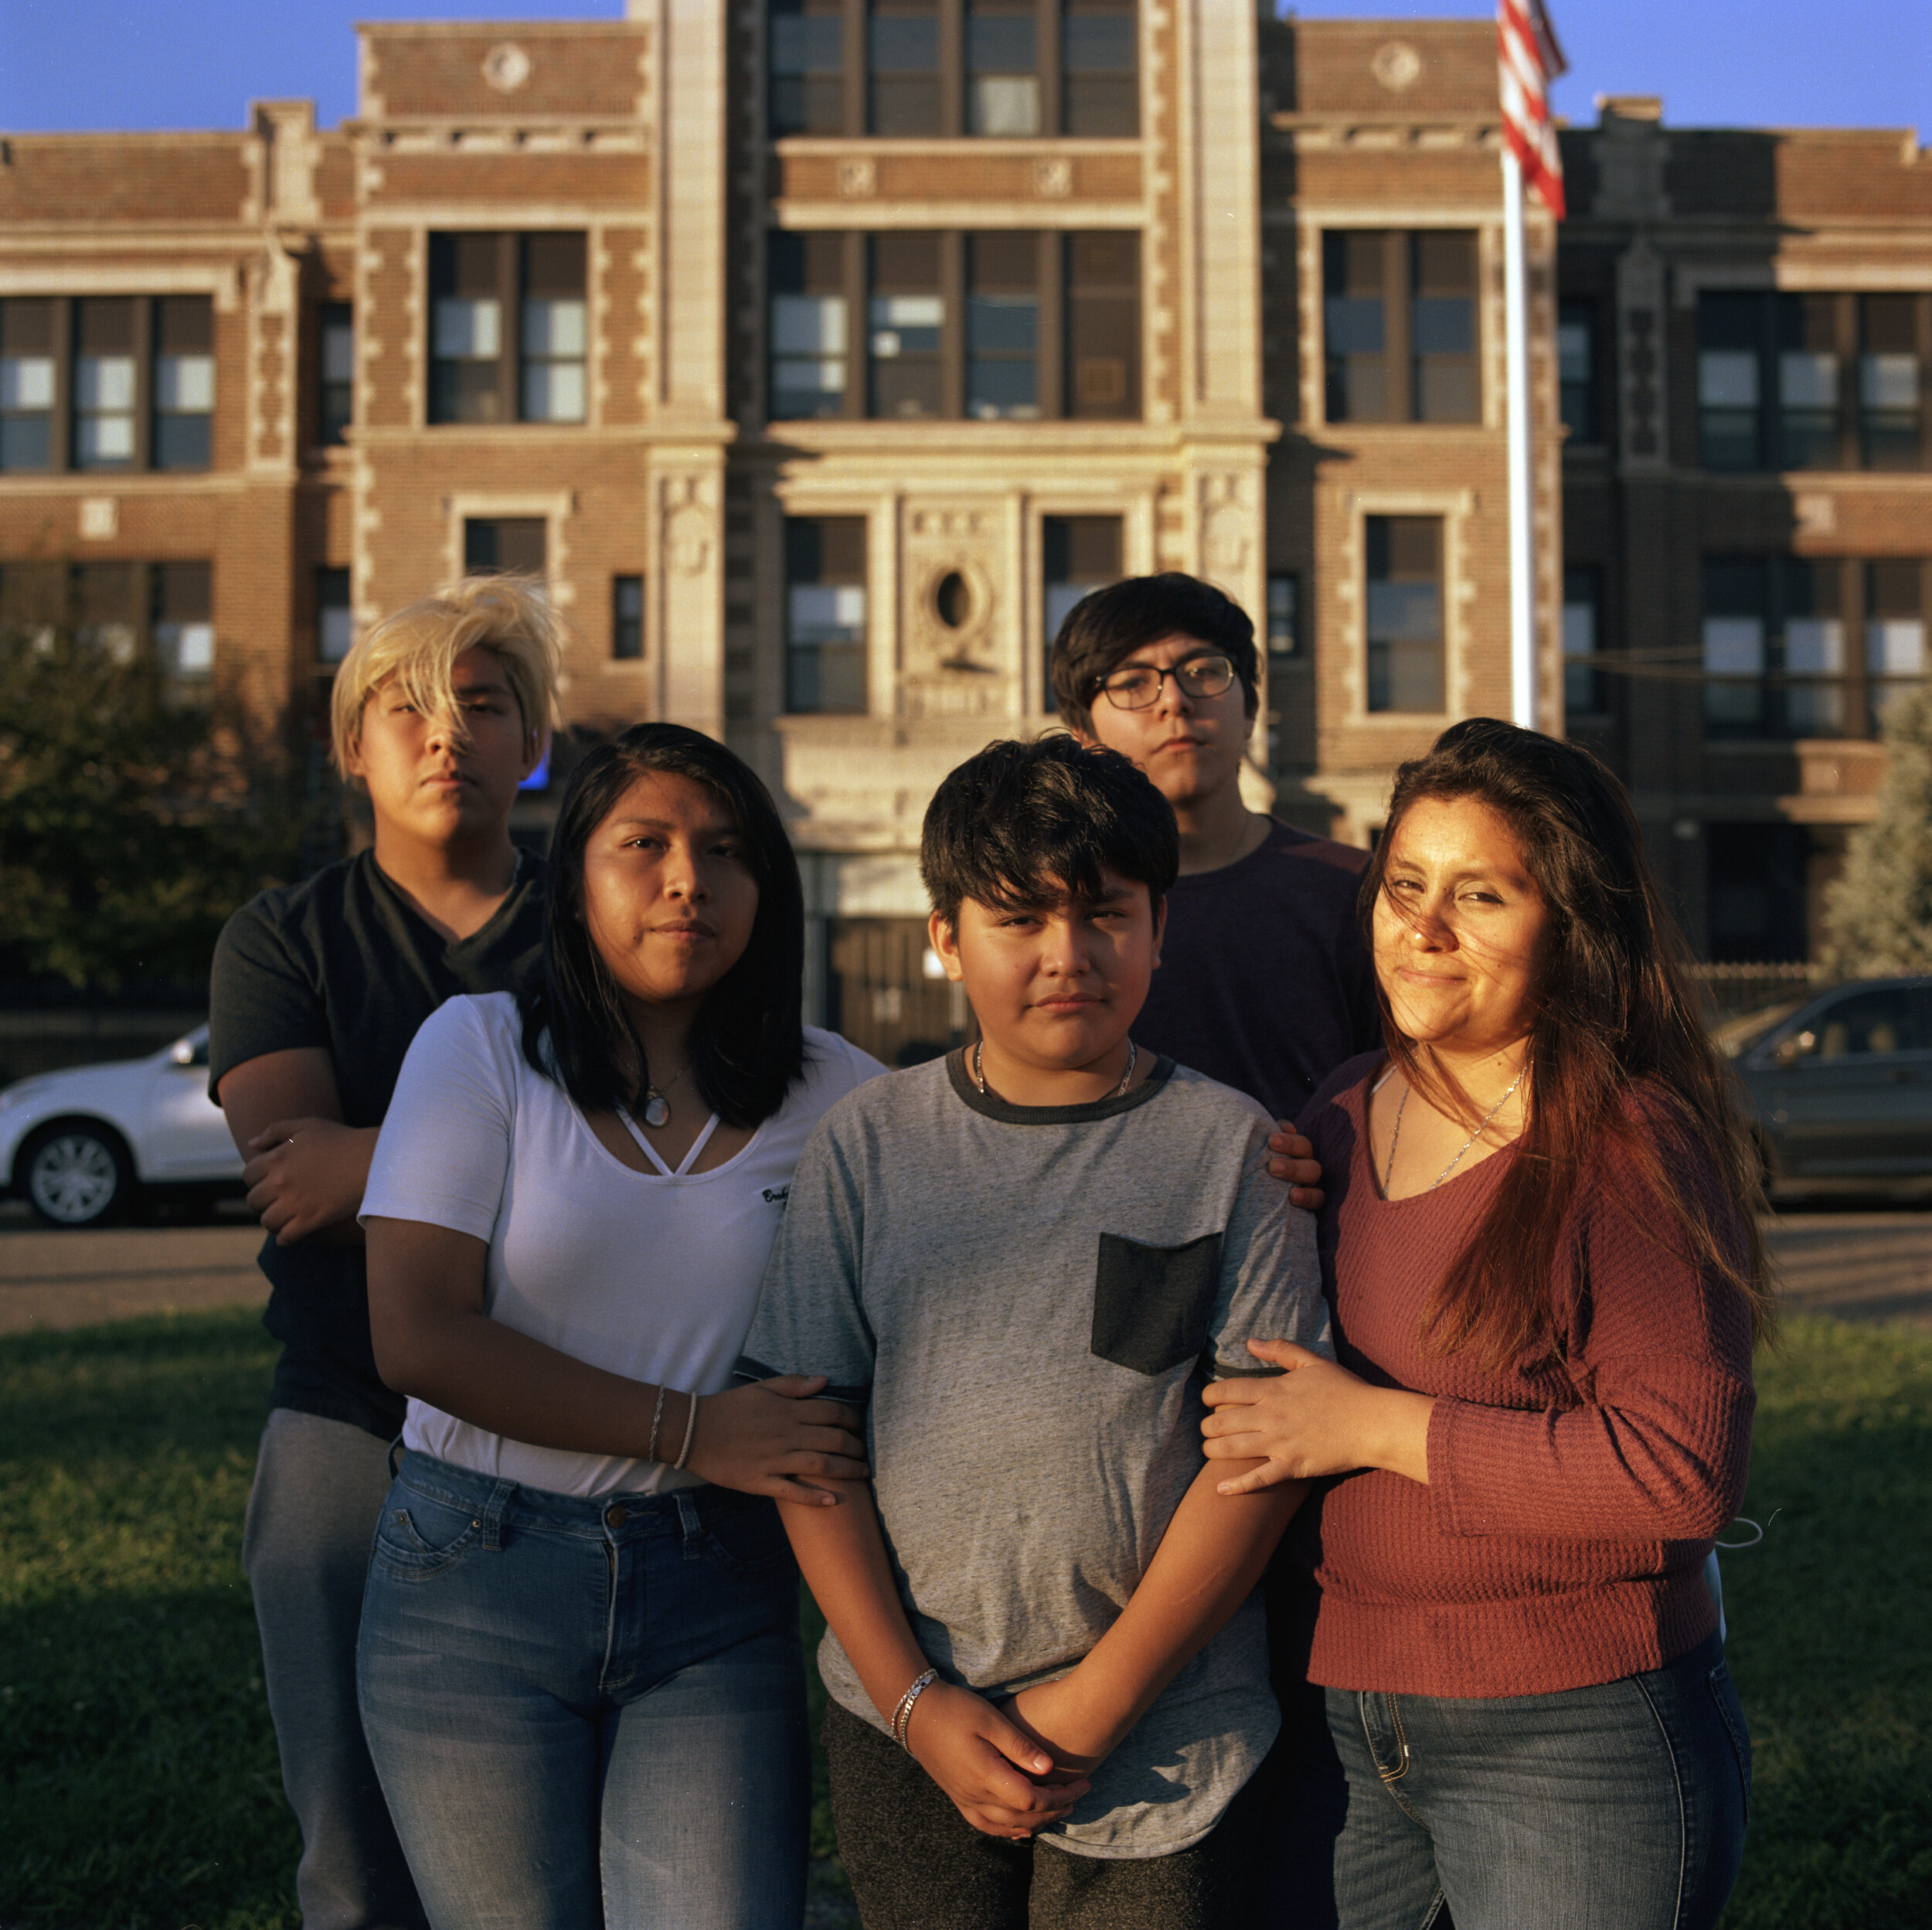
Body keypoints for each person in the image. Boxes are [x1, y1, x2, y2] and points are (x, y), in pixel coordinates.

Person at [744, 735, 1331, 1930]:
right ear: (945, 936)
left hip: (1168, 1726)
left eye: (1106, 914)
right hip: (907, 1723)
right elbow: (809, 1447)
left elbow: (1258, 1456)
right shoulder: (867, 1147)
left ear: (1162, 928)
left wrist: (1100, 1699)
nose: (1069, 956)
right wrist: (912, 1698)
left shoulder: (1233, 1153)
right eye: (1018, 919)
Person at [1202, 718, 1768, 1930]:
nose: (1423, 929)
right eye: (1404, 885)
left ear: (1567, 922)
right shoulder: (1341, 1110)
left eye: (1480, 895)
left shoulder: (1628, 1143)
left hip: (1577, 1734)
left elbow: (1679, 1475)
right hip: (1347, 1727)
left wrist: (1374, 1426)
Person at [355, 723, 882, 1930]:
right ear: (574, 875)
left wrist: (1251, 1155)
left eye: (728, 850)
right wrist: (696, 1427)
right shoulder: (477, 1049)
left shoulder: (839, 1089)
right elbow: (417, 1335)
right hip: (470, 1580)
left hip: (715, 1589)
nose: (689, 878)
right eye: (643, 844)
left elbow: (998, 1166)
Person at [210, 576, 560, 1930]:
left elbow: (661, 1164)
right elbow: (293, 1176)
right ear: (351, 745)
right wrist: (547, 1140)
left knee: (551, 1858)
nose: (445, 734)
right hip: (346, 1420)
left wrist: (384, 1154)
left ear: (533, 741)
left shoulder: (600, 927)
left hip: (569, 1423)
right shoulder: (284, 936)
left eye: (484, 706)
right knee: (355, 1866)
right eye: (403, 709)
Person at [1054, 572, 1380, 1125]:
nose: (1175, 701)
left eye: (1204, 671)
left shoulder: (1356, 892)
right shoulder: (1063, 914)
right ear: (1082, 733)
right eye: (1134, 683)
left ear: (1251, 708)